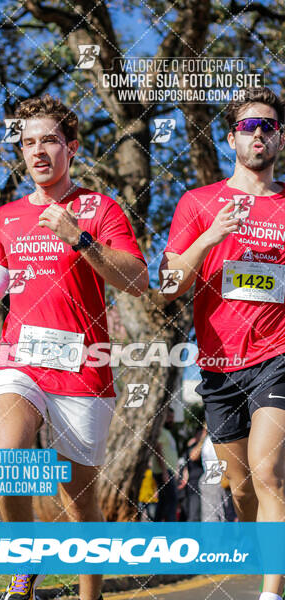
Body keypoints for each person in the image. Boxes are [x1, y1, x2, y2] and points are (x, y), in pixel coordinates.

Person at [0, 94, 149, 600]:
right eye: (28, 142)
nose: (38, 151)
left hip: (82, 368)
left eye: (49, 140)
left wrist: (80, 239)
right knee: (4, 458)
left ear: (71, 147)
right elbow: (0, 273)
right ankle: (24, 569)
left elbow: (137, 281)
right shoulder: (6, 216)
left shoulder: (98, 207)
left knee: (81, 502)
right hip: (19, 359)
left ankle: (88, 594)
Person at [160, 86, 285, 600]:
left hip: (277, 355)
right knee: (241, 487)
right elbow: (168, 285)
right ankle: (268, 557)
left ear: (281, 137)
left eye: (269, 127)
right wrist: (209, 237)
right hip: (218, 366)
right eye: (249, 127)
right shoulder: (198, 203)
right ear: (232, 137)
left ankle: (271, 592)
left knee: (267, 469)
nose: (260, 135)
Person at [151, 407, 179, 521]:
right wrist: (164, 472)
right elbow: (158, 450)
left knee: (163, 503)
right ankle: (171, 531)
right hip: (164, 471)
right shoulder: (161, 431)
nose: (171, 420)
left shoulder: (167, 432)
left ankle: (157, 528)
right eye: (169, 417)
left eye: (172, 417)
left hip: (168, 471)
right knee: (172, 502)